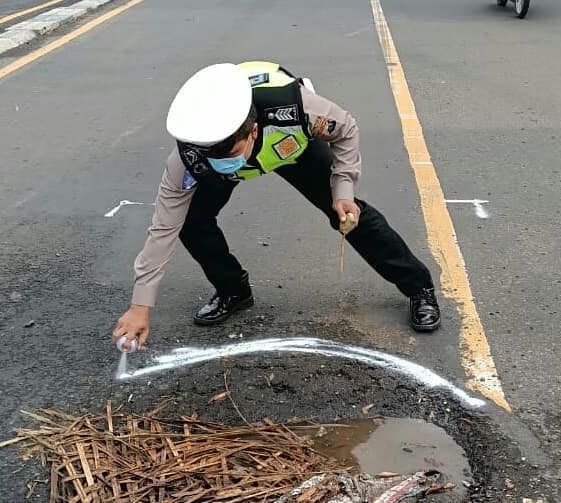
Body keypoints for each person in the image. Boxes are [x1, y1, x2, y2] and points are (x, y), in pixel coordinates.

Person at [112, 61, 440, 351]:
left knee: (348, 215)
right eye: (211, 156)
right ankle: (233, 291)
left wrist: (343, 189)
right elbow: (163, 227)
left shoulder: (297, 110)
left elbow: (347, 129)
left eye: (228, 154)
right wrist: (140, 305)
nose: (222, 162)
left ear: (253, 131)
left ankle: (418, 287)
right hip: (232, 162)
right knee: (191, 222)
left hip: (291, 149)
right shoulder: (190, 158)